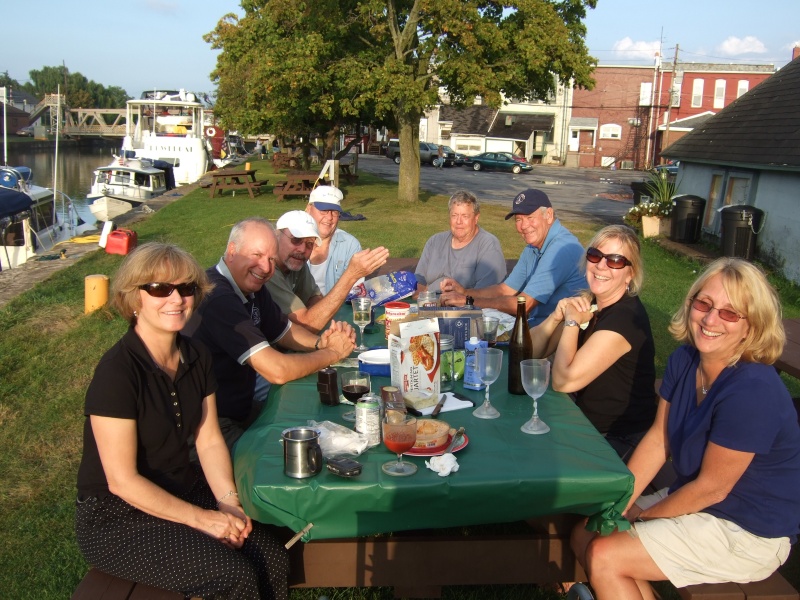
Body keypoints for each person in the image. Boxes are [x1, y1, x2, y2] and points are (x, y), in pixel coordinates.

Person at [571, 257, 800, 600]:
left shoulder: (753, 389)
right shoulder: (684, 360)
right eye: (704, 303)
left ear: (751, 325)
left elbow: (712, 489)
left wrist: (642, 517)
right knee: (585, 534)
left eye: (730, 313)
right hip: (698, 498)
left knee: (606, 555)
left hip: (748, 529)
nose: (710, 319)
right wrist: (621, 504)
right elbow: (658, 438)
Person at [75, 243, 289, 600]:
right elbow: (122, 481)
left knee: (272, 557)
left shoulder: (195, 355)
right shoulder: (118, 372)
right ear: (135, 298)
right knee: (232, 576)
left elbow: (207, 440)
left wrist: (228, 503)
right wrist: (204, 519)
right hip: (115, 517)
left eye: (186, 288)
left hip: (182, 487)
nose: (176, 299)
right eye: (160, 289)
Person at [183, 217, 356, 450]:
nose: (265, 268)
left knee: (310, 425)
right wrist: (332, 353)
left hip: (239, 409)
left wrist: (320, 343)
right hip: (206, 427)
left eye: (271, 259)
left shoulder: (251, 286)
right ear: (232, 251)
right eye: (256, 255)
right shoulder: (218, 296)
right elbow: (277, 371)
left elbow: (284, 331)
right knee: (291, 454)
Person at [530, 225, 656, 460]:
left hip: (618, 438)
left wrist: (571, 323)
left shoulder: (625, 319)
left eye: (615, 260)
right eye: (595, 255)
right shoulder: (590, 303)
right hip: (582, 421)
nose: (601, 266)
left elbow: (562, 381)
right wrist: (555, 317)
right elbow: (530, 352)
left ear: (630, 273)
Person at [439, 188, 585, 326]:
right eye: (518, 220)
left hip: (558, 336)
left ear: (549, 215)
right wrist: (465, 293)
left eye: (530, 217)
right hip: (537, 326)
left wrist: (467, 301)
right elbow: (505, 290)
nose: (524, 225)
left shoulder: (561, 248)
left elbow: (523, 305)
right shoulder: (534, 246)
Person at [266, 209, 389, 332]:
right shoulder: (267, 271)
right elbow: (307, 325)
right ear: (276, 236)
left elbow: (315, 297)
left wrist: (313, 316)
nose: (302, 249)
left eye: (310, 244)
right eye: (296, 240)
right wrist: (351, 275)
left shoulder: (296, 263)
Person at [414, 190, 507, 294]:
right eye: (454, 215)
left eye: (465, 216)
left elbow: (486, 294)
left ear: (476, 218)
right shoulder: (435, 242)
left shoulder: (488, 245)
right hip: (430, 305)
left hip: (467, 307)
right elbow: (418, 283)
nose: (458, 221)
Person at [305, 185, 363, 295]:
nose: (329, 217)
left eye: (335, 212)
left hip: (335, 310)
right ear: (308, 209)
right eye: (324, 210)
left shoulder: (350, 245)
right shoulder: (292, 242)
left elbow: (355, 291)